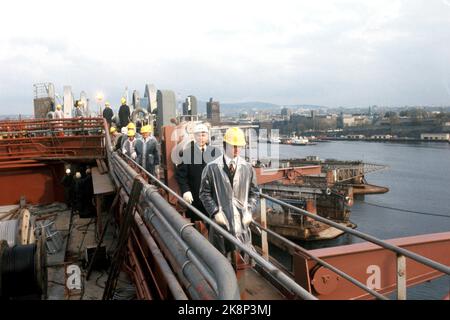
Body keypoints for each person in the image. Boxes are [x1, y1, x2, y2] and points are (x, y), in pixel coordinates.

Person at [199, 127, 258, 258]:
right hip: (221, 221)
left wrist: (249, 210)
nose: (237, 150)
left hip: (242, 220)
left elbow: (254, 193)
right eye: (234, 146)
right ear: (225, 145)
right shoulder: (211, 168)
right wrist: (214, 211)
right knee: (220, 257)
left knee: (243, 256)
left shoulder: (248, 168)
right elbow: (204, 193)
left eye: (239, 147)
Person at [176, 123, 221, 223]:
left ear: (207, 136)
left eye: (204, 135)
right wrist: (185, 191)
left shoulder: (215, 153)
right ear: (194, 137)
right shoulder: (187, 153)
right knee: (197, 225)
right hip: (195, 197)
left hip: (212, 198)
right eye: (199, 135)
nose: (201, 138)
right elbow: (180, 175)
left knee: (214, 224)